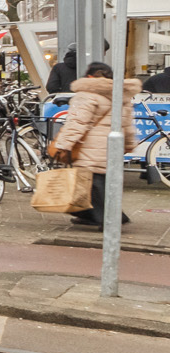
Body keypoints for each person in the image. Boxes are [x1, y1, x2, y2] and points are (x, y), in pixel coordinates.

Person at [53, 62, 133, 230]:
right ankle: (93, 216)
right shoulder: (121, 95)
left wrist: (63, 145)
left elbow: (76, 123)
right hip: (112, 146)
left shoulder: (86, 95)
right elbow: (127, 124)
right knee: (100, 183)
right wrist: (129, 144)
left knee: (94, 184)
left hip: (89, 147)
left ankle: (110, 220)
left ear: (89, 76)